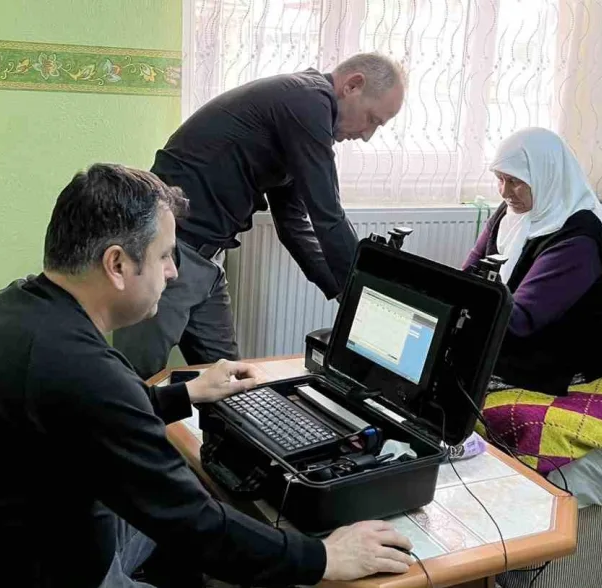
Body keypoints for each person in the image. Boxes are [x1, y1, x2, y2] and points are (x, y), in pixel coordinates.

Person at [0, 163, 415, 588]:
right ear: (117, 264)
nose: (172, 272)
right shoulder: (81, 367)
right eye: (165, 255)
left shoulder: (27, 315)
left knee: (180, 497)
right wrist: (325, 556)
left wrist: (185, 393)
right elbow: (196, 524)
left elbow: (82, 415)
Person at [113, 53, 407, 379]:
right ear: (353, 85)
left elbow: (295, 225)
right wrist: (363, 296)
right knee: (131, 386)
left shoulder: (298, 115)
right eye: (373, 119)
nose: (367, 135)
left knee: (233, 383)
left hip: (207, 259)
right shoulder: (308, 100)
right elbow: (328, 216)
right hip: (167, 254)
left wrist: (343, 293)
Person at [462, 128, 602, 396]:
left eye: (515, 181)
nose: (505, 192)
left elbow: (521, 321)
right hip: (511, 334)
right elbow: (467, 276)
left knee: (456, 379)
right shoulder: (511, 212)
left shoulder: (579, 239)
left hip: (556, 357)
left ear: (547, 175)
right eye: (500, 179)